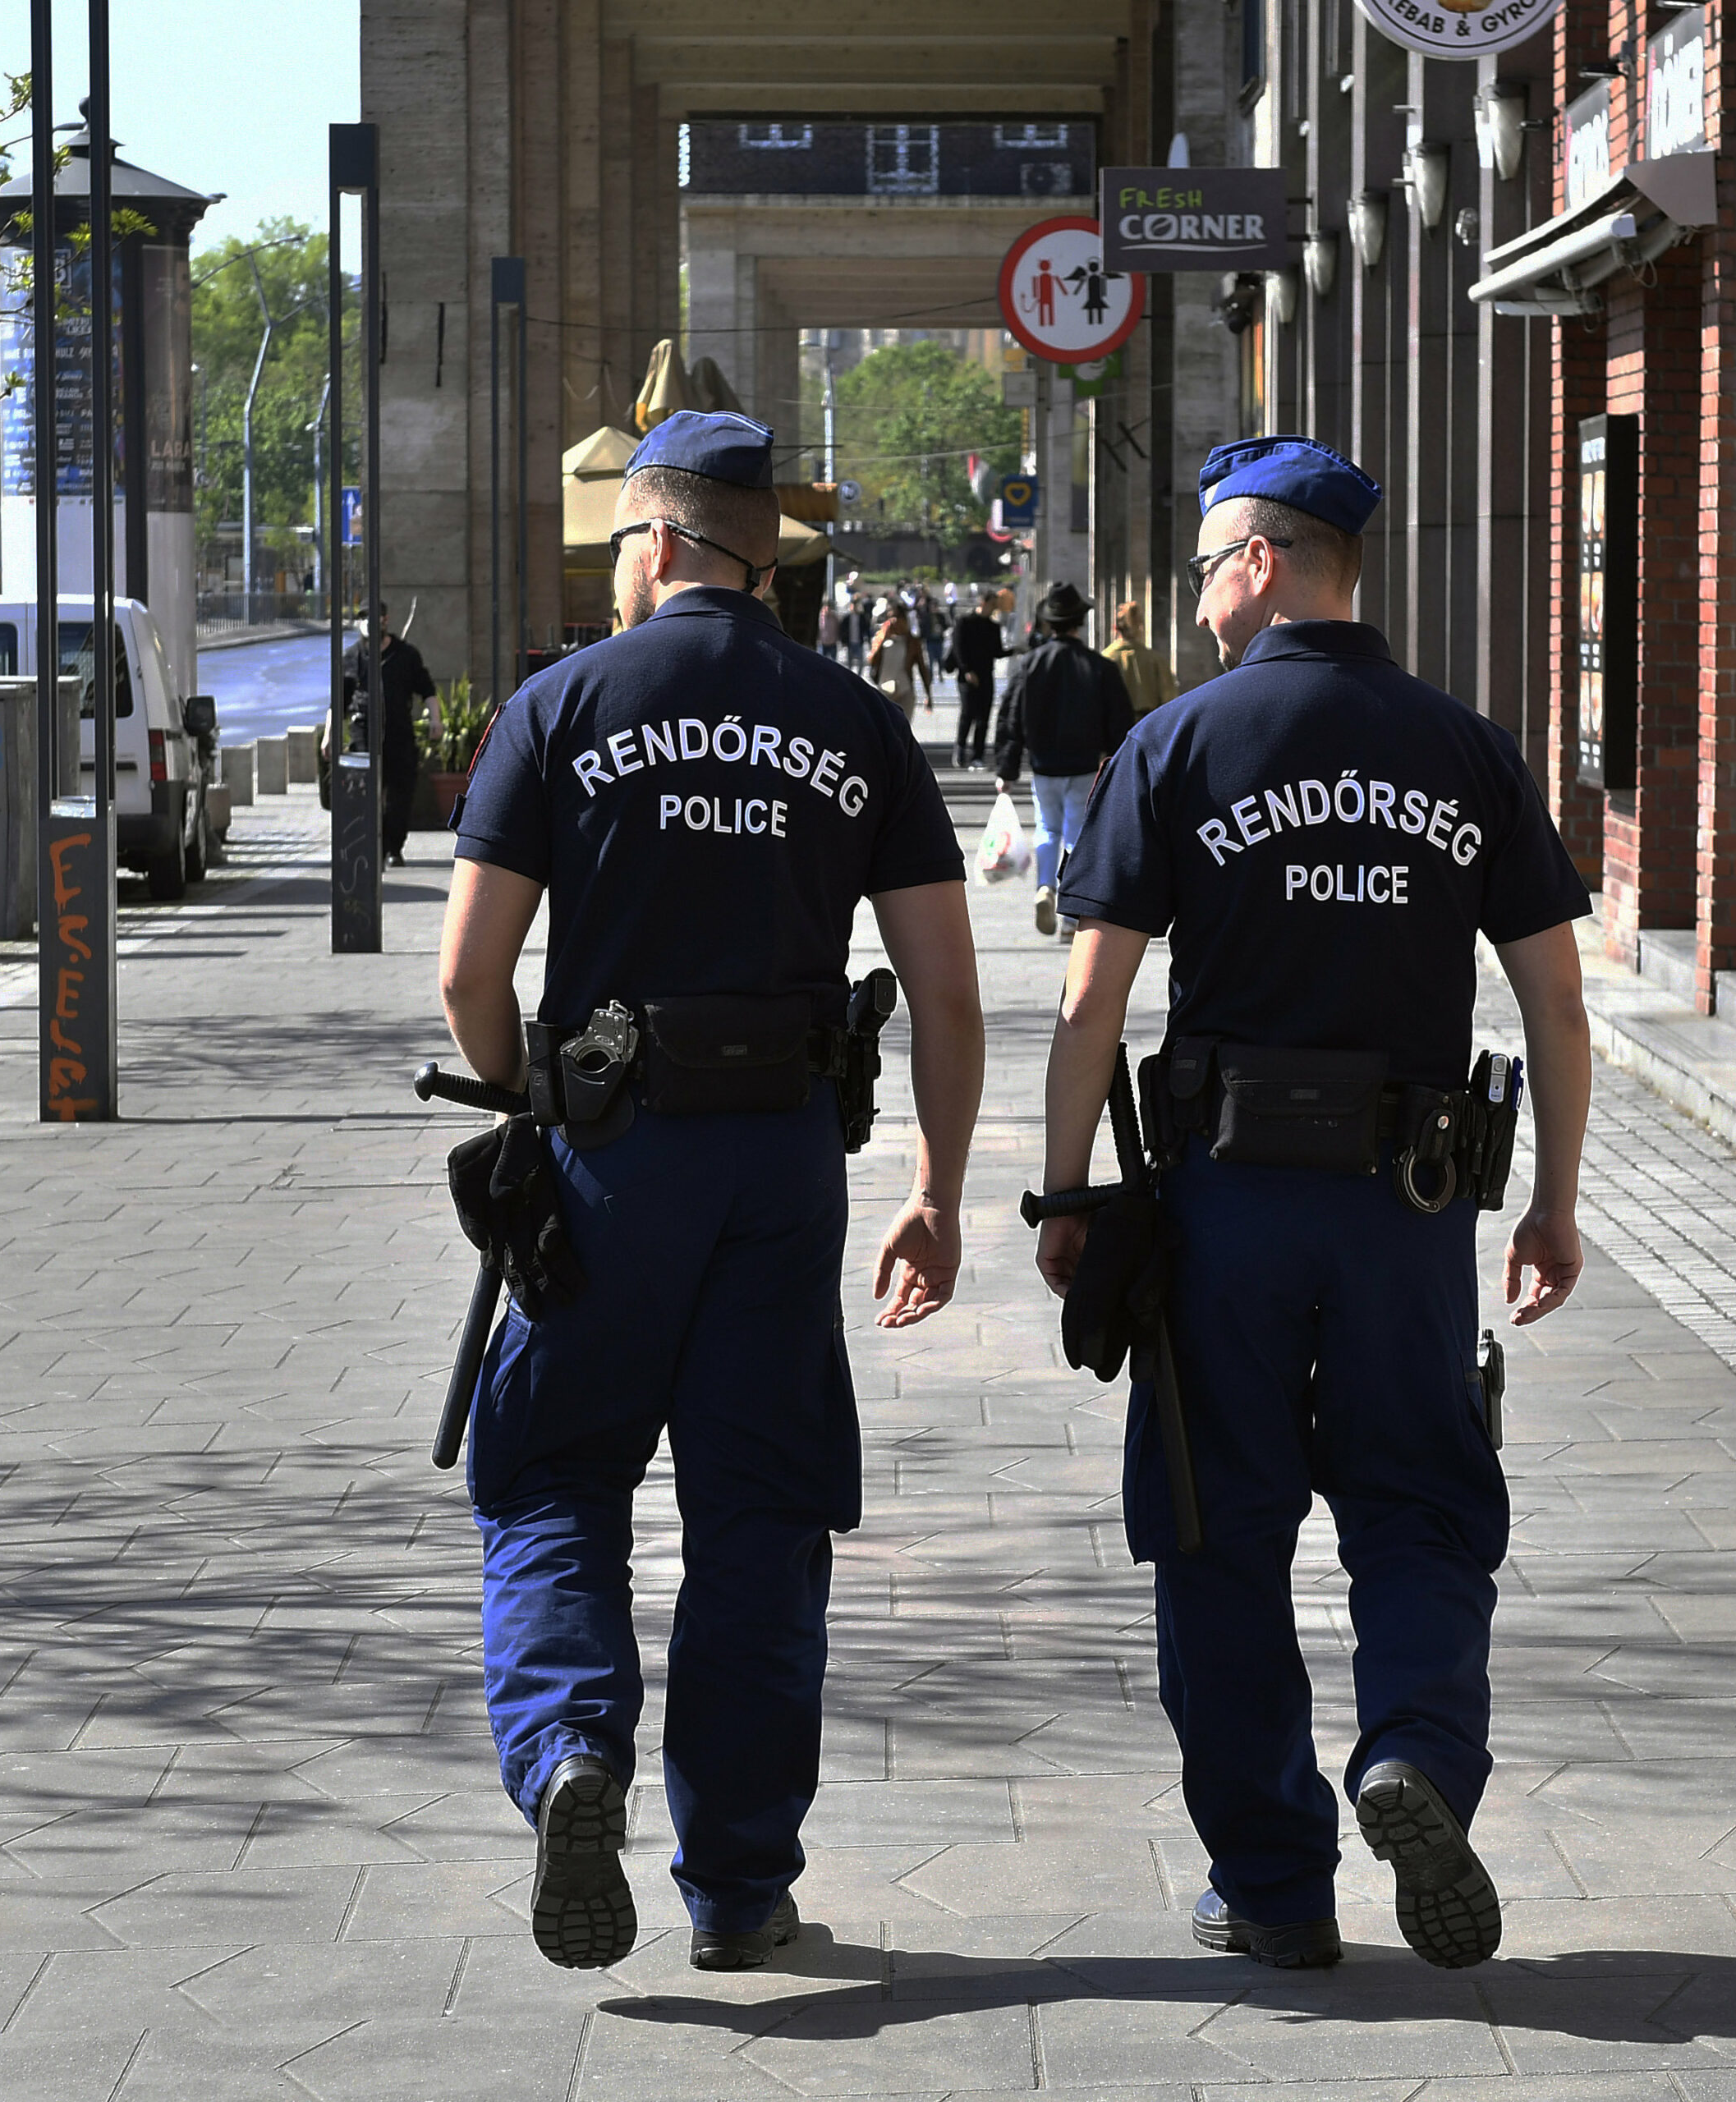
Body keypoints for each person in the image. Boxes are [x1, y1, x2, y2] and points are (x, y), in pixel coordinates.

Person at [1034, 433, 1593, 1976]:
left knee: (1219, 1535)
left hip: (1224, 1212)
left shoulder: (1183, 745)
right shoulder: (1468, 749)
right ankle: (1413, 1753)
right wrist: (1551, 1203)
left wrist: (1070, 1189)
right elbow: (1554, 1001)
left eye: (1214, 568)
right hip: (1409, 1209)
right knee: (1419, 1505)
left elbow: (1093, 1006)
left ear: (1265, 563)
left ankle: (1276, 1888)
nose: (1206, 604)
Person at [438, 409, 985, 1976]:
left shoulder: (562, 706)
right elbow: (945, 989)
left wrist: (518, 1107)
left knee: (550, 1477)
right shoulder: (851, 714)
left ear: (662, 541)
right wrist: (937, 1186)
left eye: (618, 541)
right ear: (764, 555)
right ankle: (739, 1887)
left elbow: (470, 972)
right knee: (761, 1517)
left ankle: (570, 1760)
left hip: (610, 1152)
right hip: (782, 1163)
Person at [993, 579, 1133, 938]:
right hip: (1085, 764)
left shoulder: (1030, 664)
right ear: (1079, 623)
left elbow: (1010, 715)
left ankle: (1044, 885)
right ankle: (1071, 913)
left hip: (1043, 765)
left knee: (1046, 828)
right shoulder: (1099, 666)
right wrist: (1118, 762)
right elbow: (1119, 719)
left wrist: (1007, 767)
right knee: (1076, 831)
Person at [347, 600, 440, 866]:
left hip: (399, 735)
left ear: (386, 620)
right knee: (367, 795)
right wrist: (331, 734)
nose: (369, 622)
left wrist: (436, 719)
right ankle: (370, 848)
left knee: (400, 796)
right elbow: (339, 700)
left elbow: (427, 690)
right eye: (363, 617)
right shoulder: (352, 657)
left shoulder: (406, 655)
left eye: (374, 617)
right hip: (363, 734)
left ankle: (393, 848)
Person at [948, 589, 1008, 770]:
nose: (995, 608)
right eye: (993, 604)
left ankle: (978, 756)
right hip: (967, 676)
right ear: (983, 603)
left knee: (984, 717)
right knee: (968, 713)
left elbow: (997, 652)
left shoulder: (993, 626)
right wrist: (967, 670)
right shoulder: (964, 622)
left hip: (986, 675)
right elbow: (959, 648)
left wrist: (1015, 650)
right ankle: (960, 749)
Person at [1103, 600, 1179, 718]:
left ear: (1115, 628)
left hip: (1114, 726)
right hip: (1148, 725)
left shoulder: (1106, 658)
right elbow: (1169, 699)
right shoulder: (1155, 660)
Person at [869, 598, 928, 720]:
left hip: (904, 690)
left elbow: (922, 667)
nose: (895, 622)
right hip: (884, 691)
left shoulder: (912, 641)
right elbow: (872, 660)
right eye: (891, 618)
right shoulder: (881, 639)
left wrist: (928, 694)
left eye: (897, 617)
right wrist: (882, 641)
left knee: (902, 731)